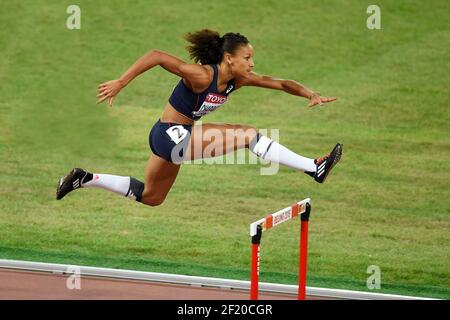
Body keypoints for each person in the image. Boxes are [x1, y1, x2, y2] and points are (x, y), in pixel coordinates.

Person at [56, 29, 343, 206]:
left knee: (152, 197)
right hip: (169, 134)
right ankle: (312, 168)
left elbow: (280, 83)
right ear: (229, 58)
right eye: (247, 58)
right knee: (246, 134)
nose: (252, 63)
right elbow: (156, 55)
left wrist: (310, 94)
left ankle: (85, 178)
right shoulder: (202, 74)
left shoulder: (238, 80)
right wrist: (121, 81)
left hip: (171, 138)